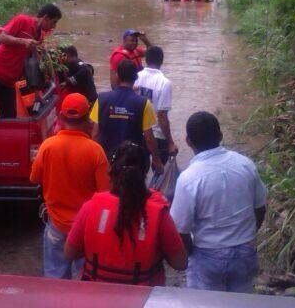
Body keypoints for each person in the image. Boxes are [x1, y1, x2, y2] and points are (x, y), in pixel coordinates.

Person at [64, 141, 187, 285]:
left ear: (111, 173)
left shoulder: (89, 208)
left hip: (95, 296)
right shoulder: (159, 215)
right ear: (145, 172)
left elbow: (69, 253)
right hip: (142, 298)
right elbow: (180, 263)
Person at [170, 111, 267, 293]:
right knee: (241, 304)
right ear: (220, 136)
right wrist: (246, 236)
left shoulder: (189, 178)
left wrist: (192, 253)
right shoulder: (245, 164)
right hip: (245, 250)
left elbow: (180, 231)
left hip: (207, 254)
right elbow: (260, 208)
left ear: (188, 141)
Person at [30, 93, 111, 279]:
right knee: (84, 280)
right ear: (87, 119)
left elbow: (34, 178)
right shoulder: (95, 151)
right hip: (85, 229)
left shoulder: (47, 147)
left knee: (55, 279)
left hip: (56, 226)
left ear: (61, 117)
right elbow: (104, 194)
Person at [91, 60, 164, 175]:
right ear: (135, 77)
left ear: (117, 76)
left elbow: (95, 134)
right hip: (134, 162)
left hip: (108, 159)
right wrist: (157, 160)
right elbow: (149, 138)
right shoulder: (144, 103)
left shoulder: (101, 99)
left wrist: (95, 160)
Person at [134, 46, 177, 165]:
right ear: (161, 61)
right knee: (159, 173)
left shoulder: (136, 77)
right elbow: (162, 115)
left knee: (138, 171)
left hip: (137, 133)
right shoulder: (165, 83)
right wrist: (170, 142)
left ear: (146, 59)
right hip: (157, 135)